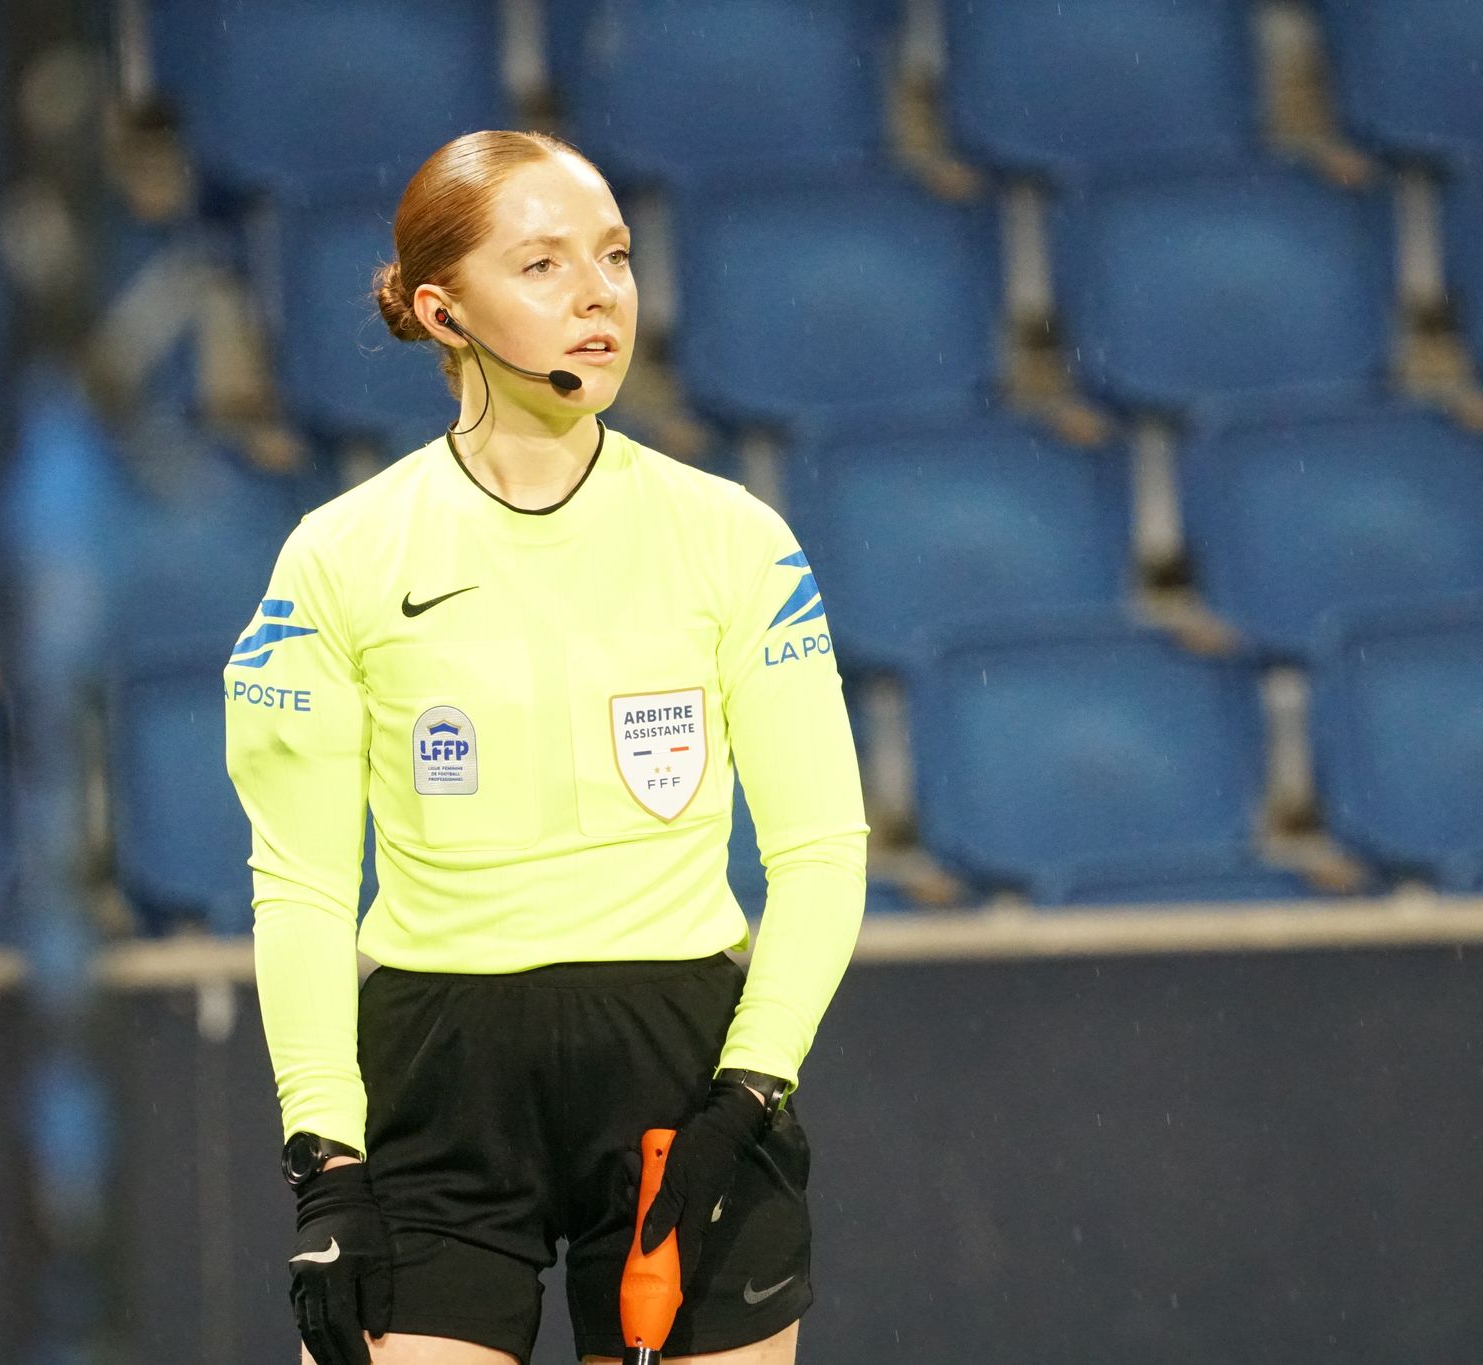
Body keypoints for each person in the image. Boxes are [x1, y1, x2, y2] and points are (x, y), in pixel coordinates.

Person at [223, 129, 868, 1365]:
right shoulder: (337, 558)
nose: (598, 294)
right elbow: (299, 888)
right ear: (441, 311)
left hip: (688, 1079)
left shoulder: (735, 540)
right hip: (436, 1084)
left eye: (614, 256)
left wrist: (749, 1092)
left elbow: (822, 853)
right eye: (542, 264)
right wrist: (326, 1166)